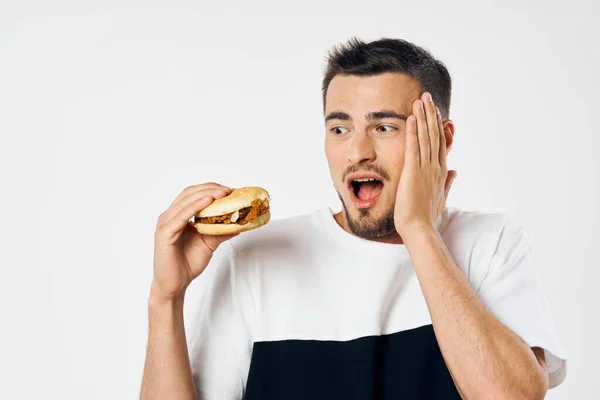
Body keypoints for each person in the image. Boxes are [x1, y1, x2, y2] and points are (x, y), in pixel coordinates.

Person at [140, 37, 567, 400]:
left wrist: (418, 230)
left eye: (384, 128)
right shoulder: (257, 259)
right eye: (340, 129)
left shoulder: (491, 243)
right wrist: (166, 298)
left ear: (442, 137)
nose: (357, 151)